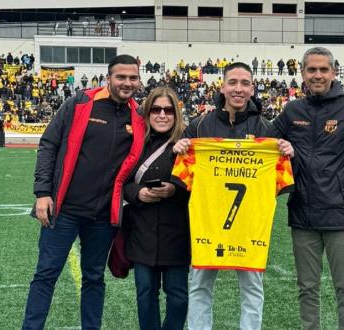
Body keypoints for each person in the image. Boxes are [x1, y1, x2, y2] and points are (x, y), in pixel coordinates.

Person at [22, 54, 146, 330]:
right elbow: (49, 145)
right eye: (121, 77)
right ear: (108, 78)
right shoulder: (80, 103)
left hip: (103, 217)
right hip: (64, 210)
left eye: (133, 78)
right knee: (45, 275)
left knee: (93, 278)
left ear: (139, 80)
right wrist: (43, 193)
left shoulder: (138, 117)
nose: (127, 83)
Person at [172, 62, 294, 330]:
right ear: (222, 86)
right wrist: (180, 148)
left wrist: (285, 151)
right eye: (233, 82)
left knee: (252, 285)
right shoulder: (199, 126)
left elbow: (280, 181)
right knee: (200, 284)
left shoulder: (266, 128)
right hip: (208, 221)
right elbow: (182, 176)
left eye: (245, 83)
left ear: (252, 89)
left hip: (249, 224)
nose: (238, 89)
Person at [267, 47, 344, 330]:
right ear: (302, 73)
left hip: (342, 217)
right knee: (306, 288)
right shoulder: (292, 111)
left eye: (323, 69)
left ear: (334, 72)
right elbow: (262, 142)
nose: (317, 75)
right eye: (311, 70)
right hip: (303, 215)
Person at [123, 87, 191, 330]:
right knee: (145, 295)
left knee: (178, 296)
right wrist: (137, 193)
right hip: (142, 232)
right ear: (147, 112)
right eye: (156, 109)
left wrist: (175, 189)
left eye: (169, 110)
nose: (162, 115)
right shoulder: (135, 144)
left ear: (177, 114)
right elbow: (122, 182)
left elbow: (200, 184)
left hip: (178, 232)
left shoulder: (188, 145)